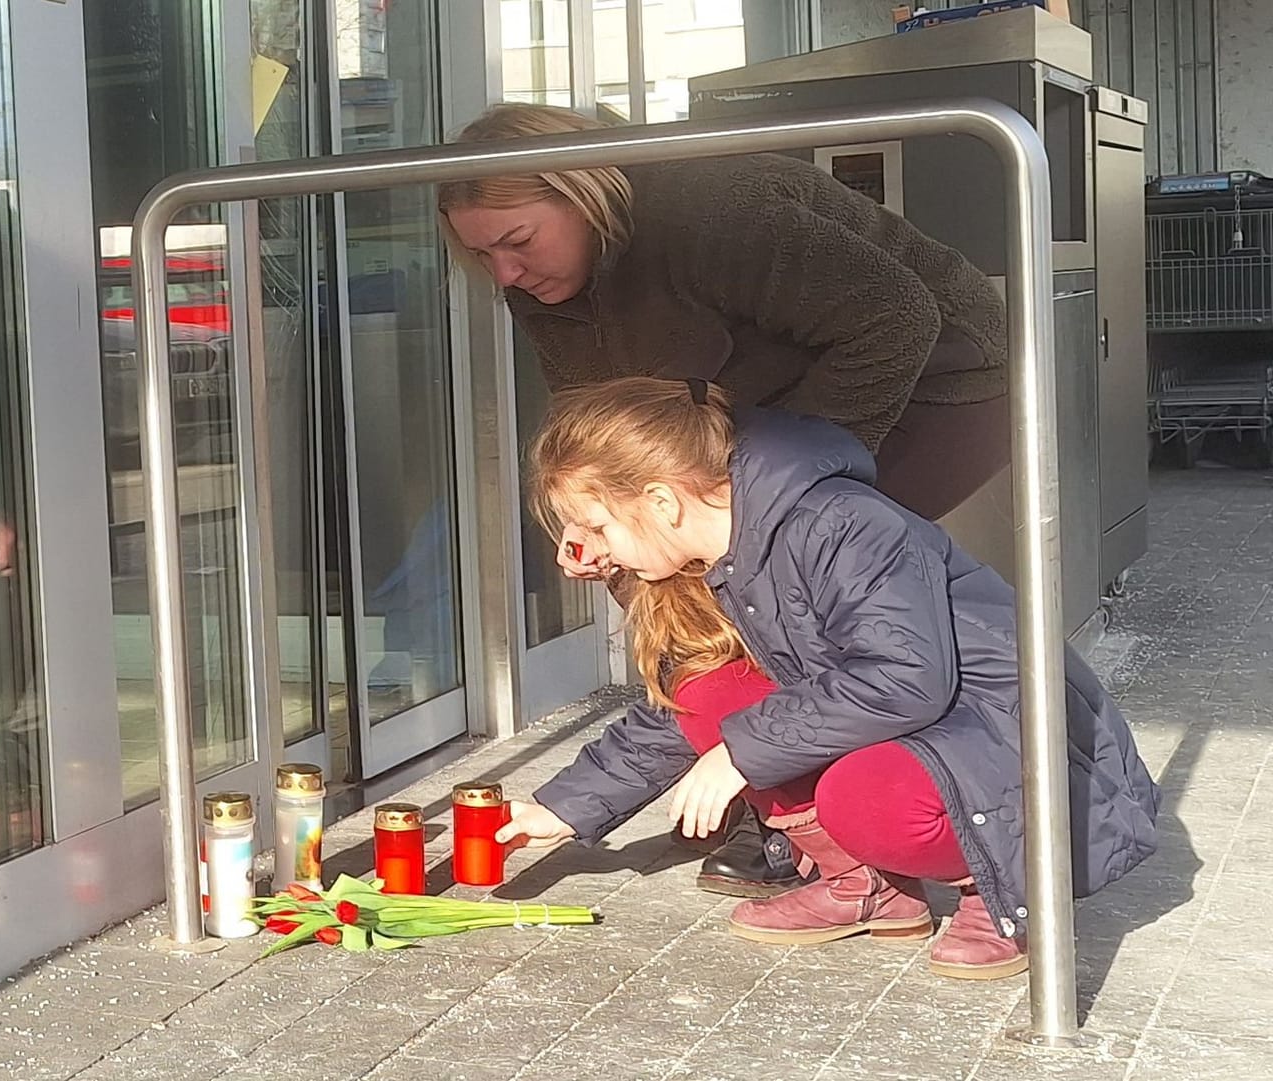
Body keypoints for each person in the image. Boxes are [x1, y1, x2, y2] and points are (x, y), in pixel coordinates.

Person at [439, 102, 1014, 897]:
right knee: (658, 557)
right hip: (755, 401)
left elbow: (895, 318)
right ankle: (766, 789)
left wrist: (779, 495)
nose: (505, 274)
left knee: (788, 584)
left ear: (586, 191)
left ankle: (851, 810)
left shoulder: (713, 213)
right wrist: (592, 522)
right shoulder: (539, 280)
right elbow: (604, 429)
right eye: (482, 255)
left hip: (938, 376)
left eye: (518, 241)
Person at [493, 377, 1159, 980]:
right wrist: (563, 807)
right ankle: (865, 882)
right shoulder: (715, 553)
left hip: (1012, 738)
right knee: (704, 691)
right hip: (929, 726)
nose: (584, 550)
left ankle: (1001, 887)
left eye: (596, 525)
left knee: (862, 797)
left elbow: (908, 675)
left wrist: (741, 753)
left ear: (663, 501)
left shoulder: (837, 523)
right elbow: (677, 710)